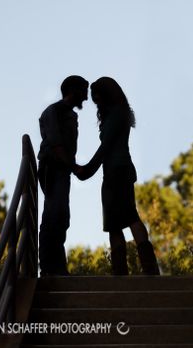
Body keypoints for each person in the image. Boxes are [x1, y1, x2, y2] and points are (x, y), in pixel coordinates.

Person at [74, 77, 160, 275]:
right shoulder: (117, 114)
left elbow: (106, 147)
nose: (96, 101)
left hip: (117, 171)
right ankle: (126, 271)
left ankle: (144, 270)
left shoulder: (116, 115)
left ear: (107, 94)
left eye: (98, 97)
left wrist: (87, 170)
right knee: (115, 222)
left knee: (128, 216)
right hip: (115, 171)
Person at [38, 75, 89, 276]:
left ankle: (58, 267)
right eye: (83, 91)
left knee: (61, 216)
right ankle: (50, 268)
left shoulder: (70, 115)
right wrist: (74, 166)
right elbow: (56, 143)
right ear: (73, 90)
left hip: (63, 171)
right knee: (54, 214)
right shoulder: (54, 112)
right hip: (53, 167)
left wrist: (70, 167)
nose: (86, 97)